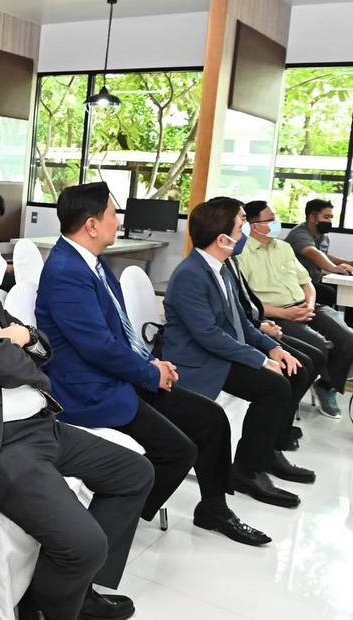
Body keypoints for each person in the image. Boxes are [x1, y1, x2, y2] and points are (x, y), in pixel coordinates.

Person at [0, 201, 154, 620]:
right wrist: (16, 343)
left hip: (37, 423)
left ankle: (72, 588)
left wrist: (22, 340)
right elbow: (4, 362)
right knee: (85, 543)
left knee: (135, 473)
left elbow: (39, 345)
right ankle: (54, 604)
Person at [36, 183, 269, 547]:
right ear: (92, 225)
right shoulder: (67, 271)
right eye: (113, 214)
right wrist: (148, 373)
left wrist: (152, 362)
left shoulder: (93, 263)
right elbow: (98, 347)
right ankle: (100, 532)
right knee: (177, 451)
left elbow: (119, 332)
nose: (119, 221)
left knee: (211, 419)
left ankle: (213, 508)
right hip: (90, 390)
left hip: (118, 376)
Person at [163, 197, 315, 511]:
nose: (246, 230)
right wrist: (261, 360)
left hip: (217, 354)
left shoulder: (221, 267)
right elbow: (209, 336)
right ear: (222, 239)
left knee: (291, 371)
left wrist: (272, 348)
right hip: (198, 364)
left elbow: (240, 322)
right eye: (242, 223)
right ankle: (248, 469)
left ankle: (262, 456)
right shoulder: (191, 274)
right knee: (274, 386)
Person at [238, 200, 353, 419]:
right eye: (271, 220)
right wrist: (286, 314)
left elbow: (306, 282)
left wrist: (309, 304)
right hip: (277, 315)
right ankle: (287, 407)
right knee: (319, 346)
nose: (276, 223)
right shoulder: (241, 254)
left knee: (348, 338)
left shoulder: (283, 247)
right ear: (254, 225)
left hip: (306, 306)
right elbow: (246, 302)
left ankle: (326, 386)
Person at [225, 242, 325, 450]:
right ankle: (272, 442)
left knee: (312, 358)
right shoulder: (215, 267)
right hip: (247, 332)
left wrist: (261, 325)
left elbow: (245, 305)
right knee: (292, 372)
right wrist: (262, 331)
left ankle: (279, 433)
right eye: (239, 228)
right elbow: (222, 324)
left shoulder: (230, 261)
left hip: (258, 324)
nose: (241, 235)